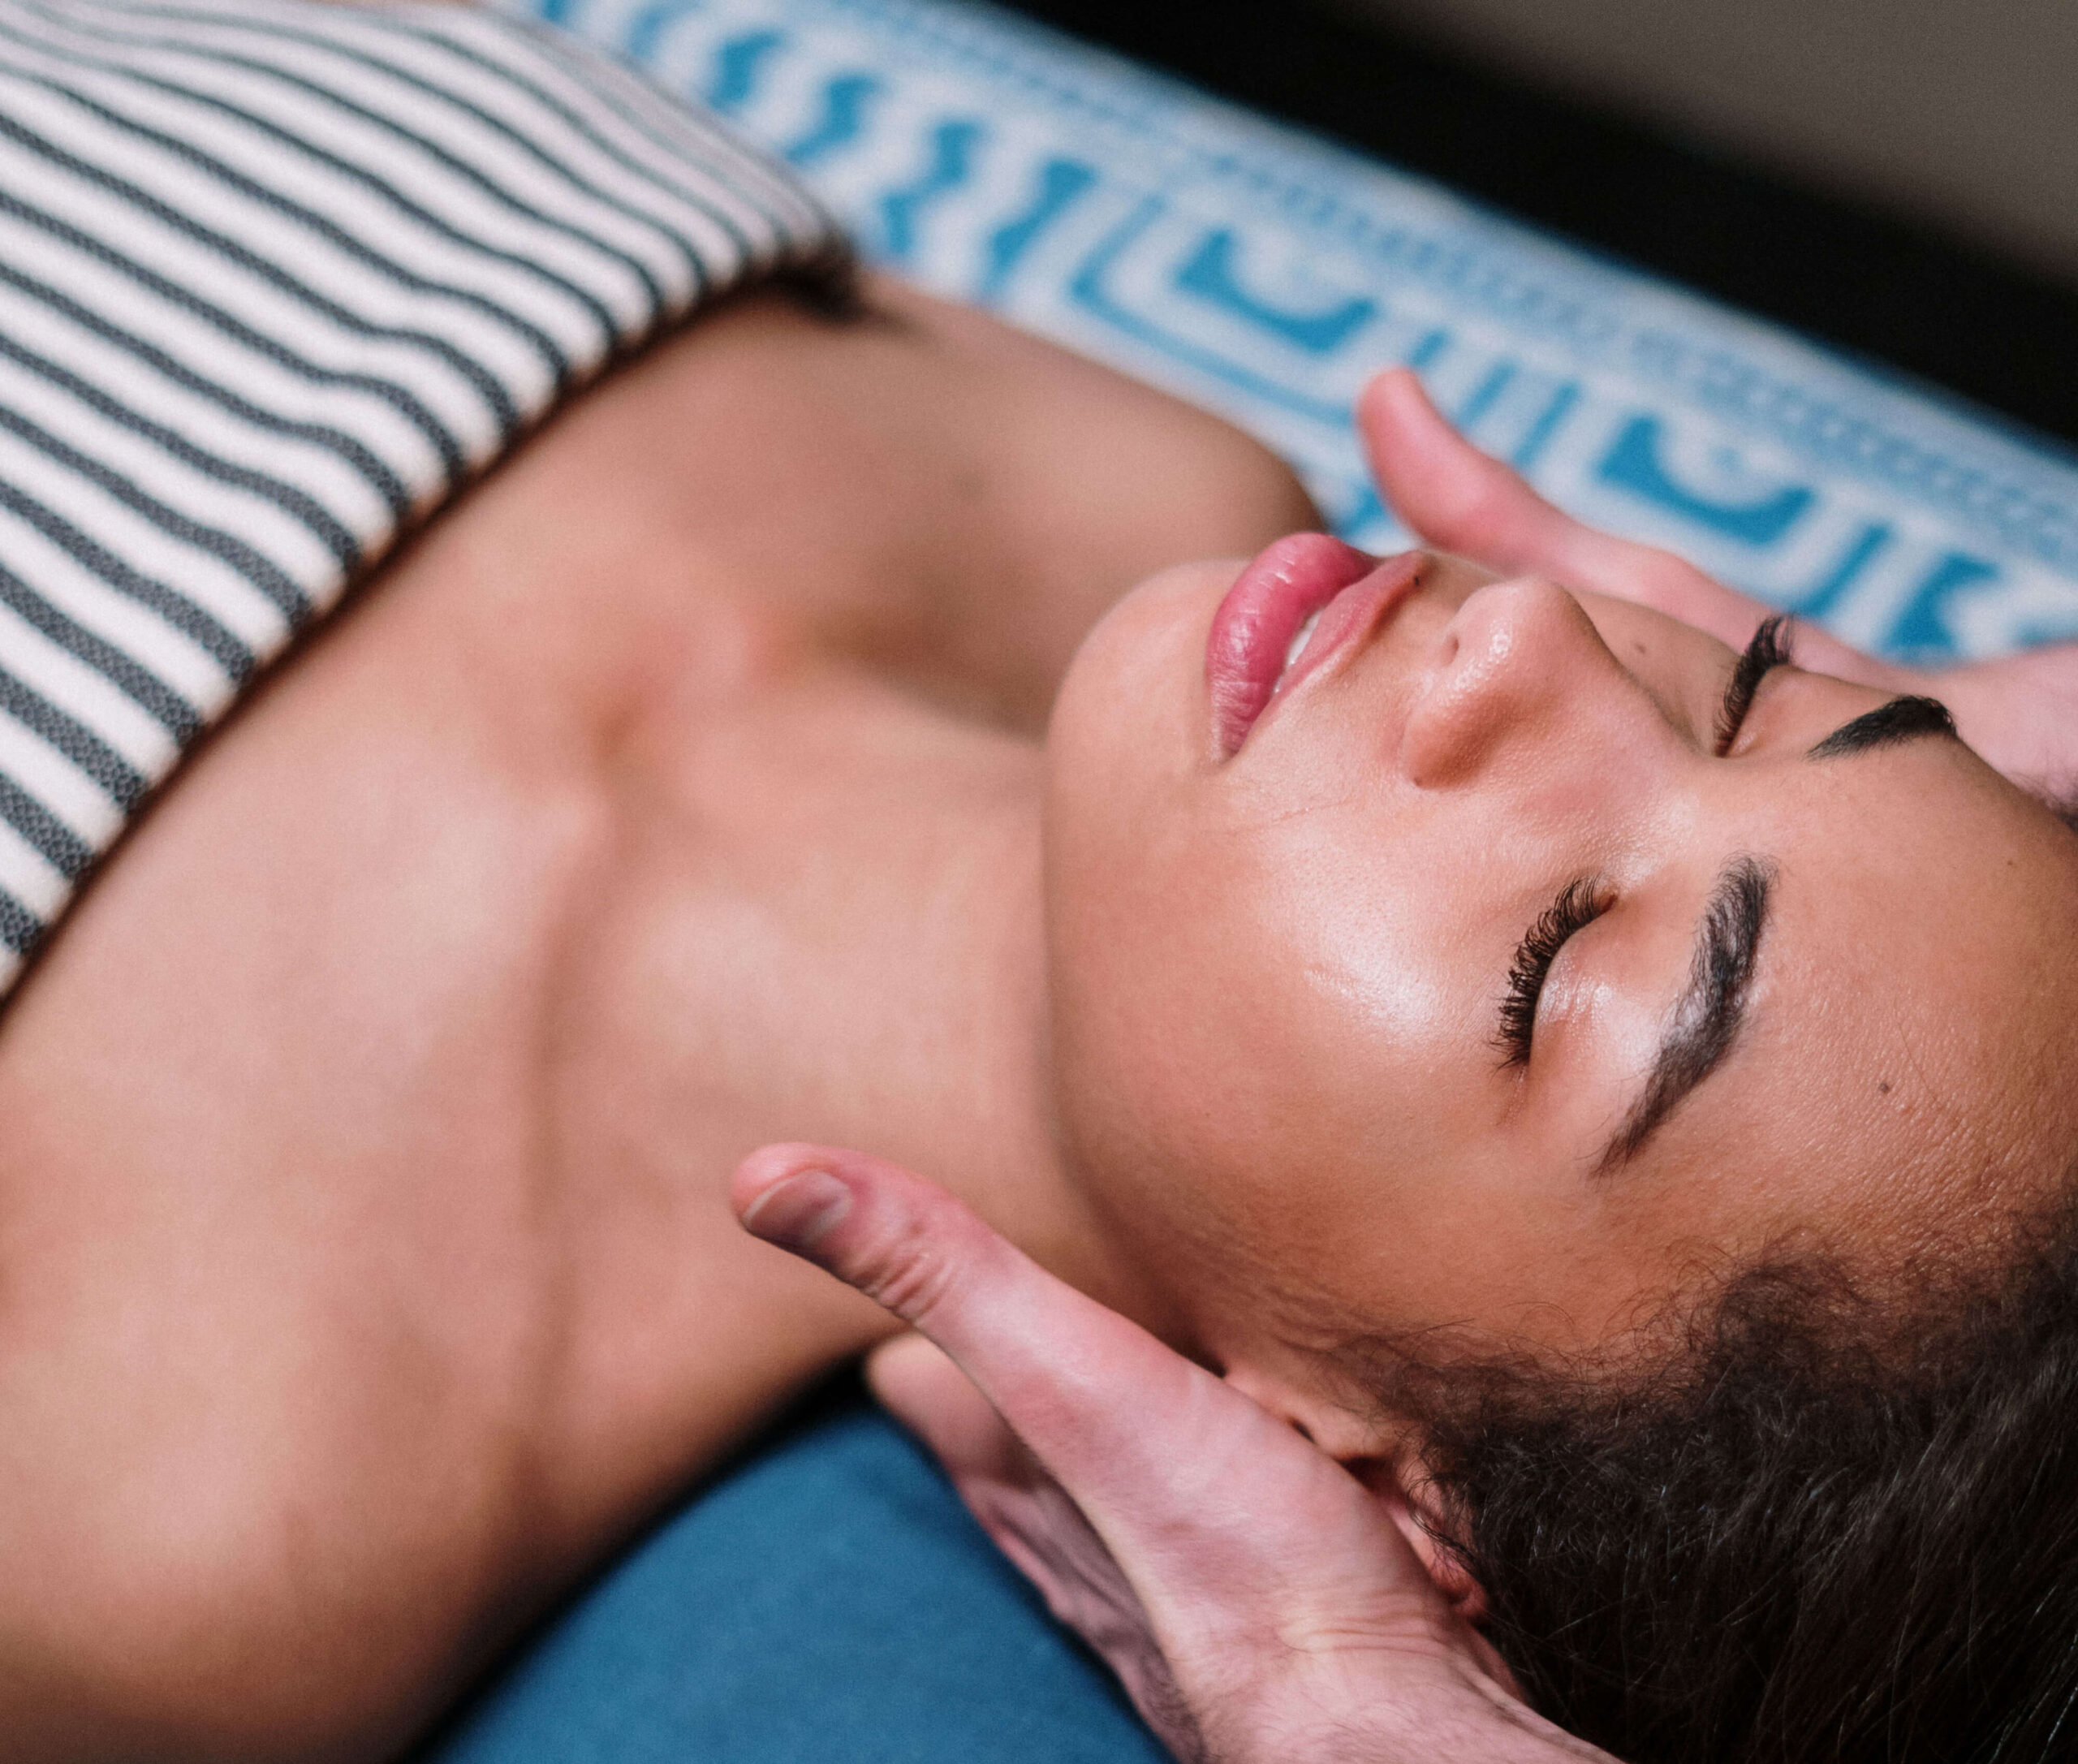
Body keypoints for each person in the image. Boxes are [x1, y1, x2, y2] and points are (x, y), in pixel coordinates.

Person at [2, 4, 2077, 1760]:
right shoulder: (1142, 486)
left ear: (1371, 1487)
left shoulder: (196, 1501)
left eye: (1559, 959)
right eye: (1749, 692)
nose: (1527, 640)